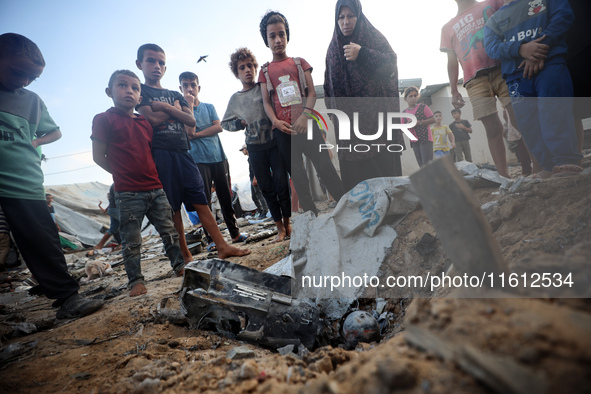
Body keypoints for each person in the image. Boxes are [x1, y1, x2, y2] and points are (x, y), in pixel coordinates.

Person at [0, 33, 103, 318]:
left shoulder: (31, 101)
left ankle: (67, 297)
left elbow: (53, 130)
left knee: (42, 240)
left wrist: (33, 144)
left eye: (33, 78)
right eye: (19, 72)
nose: (25, 81)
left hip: (24, 181)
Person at [134, 44, 249, 262]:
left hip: (185, 153)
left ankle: (222, 245)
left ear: (165, 68)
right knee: (174, 206)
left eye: (161, 62)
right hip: (161, 154)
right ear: (140, 64)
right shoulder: (141, 92)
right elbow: (152, 119)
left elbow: (191, 121)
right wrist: (176, 111)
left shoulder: (171, 94)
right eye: (150, 61)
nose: (156, 66)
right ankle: (185, 255)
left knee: (201, 200)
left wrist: (166, 108)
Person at [92, 70, 190, 296]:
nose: (130, 91)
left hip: (155, 188)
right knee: (131, 240)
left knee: (169, 232)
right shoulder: (104, 119)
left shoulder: (144, 122)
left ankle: (180, 266)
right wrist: (122, 175)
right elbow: (99, 156)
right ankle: (136, 280)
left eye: (135, 88)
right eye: (123, 86)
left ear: (140, 97)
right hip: (127, 193)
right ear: (109, 92)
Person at [258, 11, 345, 215]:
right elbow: (266, 102)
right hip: (284, 131)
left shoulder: (299, 63)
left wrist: (306, 116)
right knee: (297, 174)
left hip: (307, 125)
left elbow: (312, 93)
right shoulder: (265, 71)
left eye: (282, 34)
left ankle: (345, 204)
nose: (278, 40)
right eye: (272, 36)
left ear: (287, 35)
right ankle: (311, 214)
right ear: (266, 40)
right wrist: (276, 123)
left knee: (324, 165)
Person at [484, 0, 582, 178]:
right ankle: (549, 166)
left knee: (554, 111)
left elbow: (563, 16)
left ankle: (566, 161)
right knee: (528, 123)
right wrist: (521, 49)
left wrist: (539, 49)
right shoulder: (493, 21)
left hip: (550, 65)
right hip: (516, 77)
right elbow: (491, 48)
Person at [323, 0, 405, 191]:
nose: (345, 22)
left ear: (359, 16)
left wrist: (363, 53)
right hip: (350, 131)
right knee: (360, 191)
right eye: (341, 17)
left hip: (379, 125)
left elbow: (391, 65)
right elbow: (328, 85)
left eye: (350, 16)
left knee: (387, 185)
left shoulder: (372, 38)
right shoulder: (332, 51)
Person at [221, 47, 291, 241]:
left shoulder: (264, 87)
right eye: (242, 68)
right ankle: (279, 228)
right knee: (267, 188)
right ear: (237, 73)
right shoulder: (236, 99)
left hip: (274, 142)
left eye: (250, 65)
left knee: (281, 184)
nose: (247, 70)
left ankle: (288, 223)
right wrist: (239, 123)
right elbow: (224, 123)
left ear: (255, 67)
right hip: (255, 148)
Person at [441, 0, 511, 178]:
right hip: (474, 80)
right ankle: (504, 176)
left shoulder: (492, 3)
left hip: (503, 67)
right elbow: (452, 61)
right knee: (492, 128)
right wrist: (454, 90)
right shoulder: (448, 27)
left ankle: (539, 166)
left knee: (520, 118)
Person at [178, 71, 247, 248]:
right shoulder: (181, 112)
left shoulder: (209, 107)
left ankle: (235, 233)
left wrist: (196, 135)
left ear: (199, 87)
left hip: (218, 157)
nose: (190, 88)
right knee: (204, 201)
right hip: (198, 161)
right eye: (185, 85)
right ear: (180, 88)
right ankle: (212, 240)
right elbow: (188, 131)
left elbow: (218, 127)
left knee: (225, 196)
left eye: (193, 84)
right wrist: (189, 105)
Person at [403, 86, 435, 167]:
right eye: (410, 96)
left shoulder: (423, 107)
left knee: (427, 164)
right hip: (414, 142)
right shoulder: (404, 113)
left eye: (415, 95)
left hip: (425, 139)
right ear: (405, 98)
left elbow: (433, 119)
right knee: (421, 165)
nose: (413, 98)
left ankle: (431, 179)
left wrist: (419, 123)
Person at [239, 145, 269, 220]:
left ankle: (265, 212)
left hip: (256, 179)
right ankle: (261, 211)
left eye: (243, 150)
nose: (242, 152)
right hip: (252, 179)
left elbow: (257, 168)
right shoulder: (249, 158)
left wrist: (255, 178)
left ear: (246, 149)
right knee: (254, 197)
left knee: (259, 195)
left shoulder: (253, 156)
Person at [95, 183, 121, 250]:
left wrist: (99, 206)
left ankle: (99, 245)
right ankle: (124, 243)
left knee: (113, 229)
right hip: (116, 209)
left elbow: (105, 211)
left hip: (112, 210)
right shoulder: (118, 185)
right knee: (127, 224)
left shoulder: (110, 203)